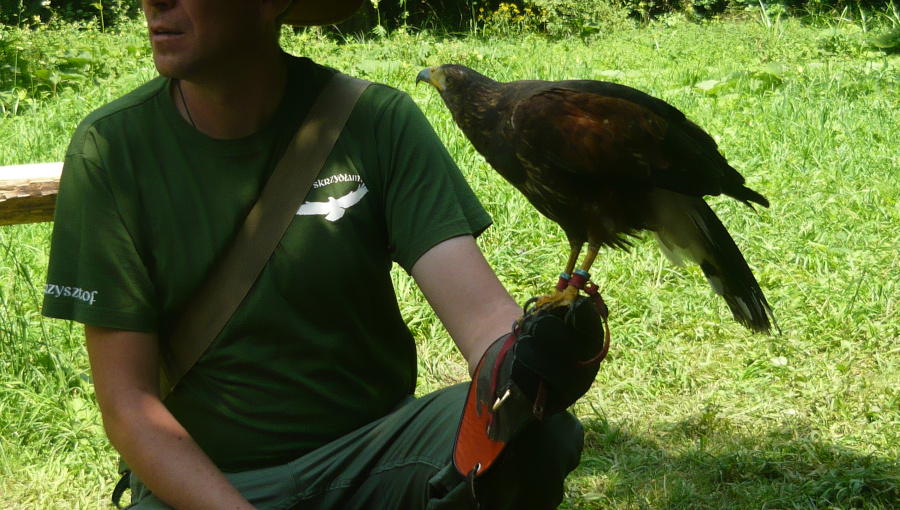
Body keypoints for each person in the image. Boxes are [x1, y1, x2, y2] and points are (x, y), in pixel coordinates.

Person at [42, 0, 605, 508]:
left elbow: (483, 318)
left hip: (374, 464)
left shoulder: (375, 122)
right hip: (204, 484)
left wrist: (530, 358)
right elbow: (128, 406)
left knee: (533, 428)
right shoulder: (112, 150)